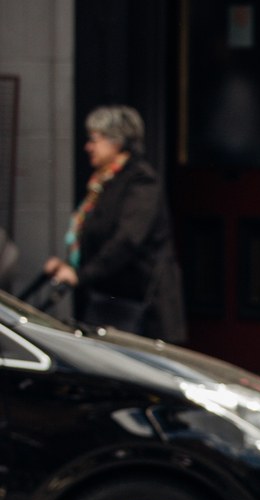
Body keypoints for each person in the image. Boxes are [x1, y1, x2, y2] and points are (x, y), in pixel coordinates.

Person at [43, 105, 186, 341]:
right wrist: (68, 266)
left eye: (94, 140)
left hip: (138, 305)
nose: (88, 147)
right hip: (111, 300)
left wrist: (82, 275)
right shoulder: (104, 181)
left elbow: (127, 239)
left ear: (116, 142)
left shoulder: (140, 180)